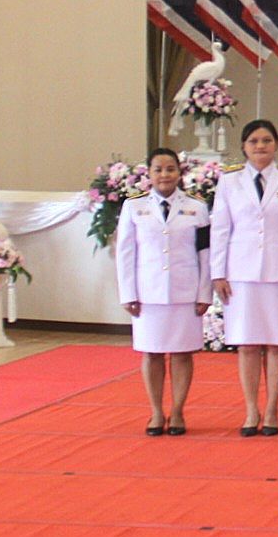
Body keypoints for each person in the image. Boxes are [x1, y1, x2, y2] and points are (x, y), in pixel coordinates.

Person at [209, 119, 278, 437]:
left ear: (276, 144)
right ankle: (251, 408)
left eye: (266, 140)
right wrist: (218, 273)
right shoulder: (229, 183)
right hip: (241, 273)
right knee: (248, 346)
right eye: (253, 141)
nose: (260, 146)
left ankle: (273, 409)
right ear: (244, 146)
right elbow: (220, 229)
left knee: (277, 345)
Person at [115, 147, 211, 436]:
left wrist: (204, 292)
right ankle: (156, 411)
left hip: (185, 290)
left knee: (182, 354)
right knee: (152, 353)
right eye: (158, 169)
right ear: (149, 174)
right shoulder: (134, 207)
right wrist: (128, 293)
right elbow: (125, 253)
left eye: (170, 169)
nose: (165, 175)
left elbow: (205, 253)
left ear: (179, 172)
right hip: (149, 293)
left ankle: (178, 410)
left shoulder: (197, 207)